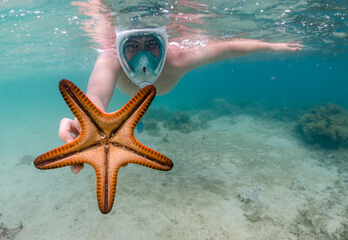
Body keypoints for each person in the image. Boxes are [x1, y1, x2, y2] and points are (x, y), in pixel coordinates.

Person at [61, 1, 303, 174]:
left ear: (164, 44)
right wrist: (84, 121)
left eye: (151, 44)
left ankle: (136, 120)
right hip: (134, 100)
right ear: (120, 47)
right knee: (128, 115)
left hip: (148, 96)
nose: (143, 56)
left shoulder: (178, 58)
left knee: (135, 113)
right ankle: (135, 122)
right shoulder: (110, 60)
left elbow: (229, 48)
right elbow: (94, 98)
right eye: (133, 46)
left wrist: (273, 46)